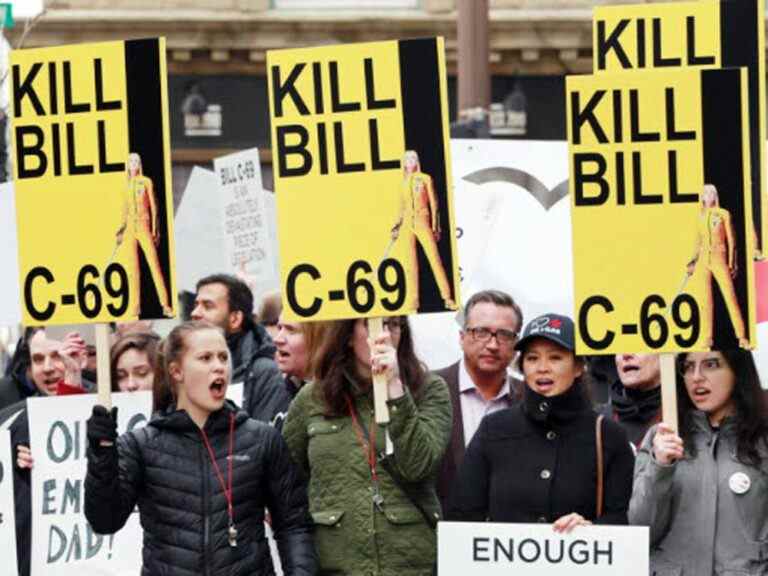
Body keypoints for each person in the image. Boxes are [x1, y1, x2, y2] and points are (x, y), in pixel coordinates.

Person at [84, 321, 317, 575]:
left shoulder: (263, 439)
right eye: (205, 358)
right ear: (176, 371)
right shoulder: (140, 445)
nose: (218, 366)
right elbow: (104, 520)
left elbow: (294, 526)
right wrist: (101, 452)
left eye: (223, 357)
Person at [282, 316, 452, 576]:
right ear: (348, 335)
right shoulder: (313, 398)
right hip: (337, 563)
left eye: (393, 325)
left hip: (410, 565)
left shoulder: (429, 389)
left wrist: (395, 388)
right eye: (372, 324)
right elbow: (286, 480)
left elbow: (418, 465)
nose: (384, 335)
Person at [448, 313, 634, 530]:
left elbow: (623, 520)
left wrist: (590, 530)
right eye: (532, 358)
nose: (542, 367)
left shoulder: (609, 436)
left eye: (555, 357)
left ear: (578, 367)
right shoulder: (494, 429)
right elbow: (461, 517)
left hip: (577, 563)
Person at [629, 349, 768, 576]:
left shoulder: (762, 440)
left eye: (711, 365)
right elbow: (641, 531)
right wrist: (660, 466)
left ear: (737, 370)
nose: (696, 377)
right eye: (687, 367)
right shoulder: (662, 437)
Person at [435, 290, 524, 513]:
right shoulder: (425, 390)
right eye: (481, 332)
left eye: (504, 335)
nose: (493, 344)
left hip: (506, 538)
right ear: (462, 337)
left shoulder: (530, 398)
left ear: (516, 345)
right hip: (437, 535)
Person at [191, 273, 290, 425]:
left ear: (235, 319)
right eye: (196, 305)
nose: (195, 313)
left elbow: (265, 442)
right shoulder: (186, 367)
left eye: (207, 306)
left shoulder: (263, 372)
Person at [391, 150, 455, 310]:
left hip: (422, 220)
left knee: (435, 260)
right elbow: (401, 207)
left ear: (417, 161)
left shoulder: (425, 178)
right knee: (410, 265)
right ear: (404, 163)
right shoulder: (402, 183)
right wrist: (396, 226)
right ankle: (413, 303)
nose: (410, 161)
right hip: (407, 224)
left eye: (413, 158)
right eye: (407, 159)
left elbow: (434, 204)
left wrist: (436, 226)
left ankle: (447, 298)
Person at [687, 183, 749, 349]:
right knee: (705, 301)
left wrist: (732, 262)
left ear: (715, 195)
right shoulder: (699, 216)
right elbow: (697, 242)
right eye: (704, 193)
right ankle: (707, 340)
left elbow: (732, 240)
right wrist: (692, 262)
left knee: (730, 297)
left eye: (710, 193)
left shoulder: (723, 214)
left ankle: (742, 337)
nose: (707, 196)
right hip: (703, 261)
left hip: (719, 257)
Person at [116, 151, 173, 318]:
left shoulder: (146, 181)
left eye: (136, 161)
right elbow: (124, 211)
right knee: (133, 270)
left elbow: (154, 207)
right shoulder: (125, 185)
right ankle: (135, 308)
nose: (133, 164)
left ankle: (165, 305)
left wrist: (155, 229)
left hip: (144, 225)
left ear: (139, 164)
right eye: (130, 161)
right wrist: (120, 230)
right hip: (130, 228)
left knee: (154, 265)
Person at [600, 354, 662, 447]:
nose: (626, 354)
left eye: (639, 344)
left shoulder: (686, 416)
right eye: (619, 346)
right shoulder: (595, 422)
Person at [274, 314, 325, 401]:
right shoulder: (274, 388)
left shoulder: (337, 398)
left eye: (291, 330)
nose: (277, 339)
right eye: (279, 328)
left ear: (319, 338)